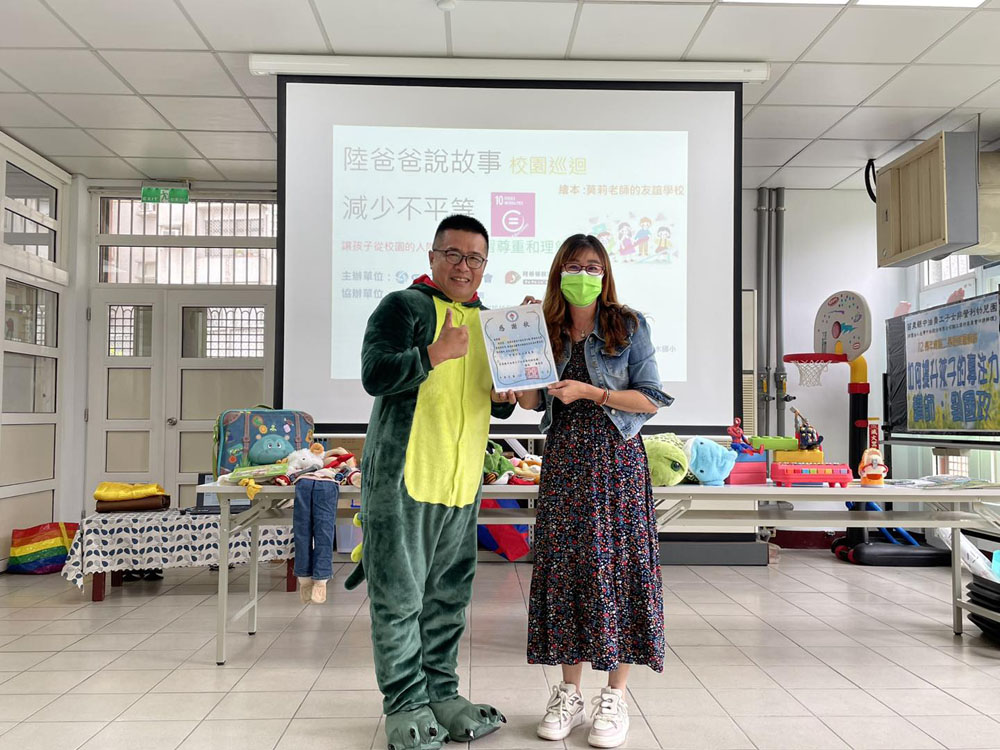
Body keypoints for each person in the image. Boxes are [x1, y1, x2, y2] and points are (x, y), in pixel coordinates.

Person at [346, 215, 515, 750]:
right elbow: (375, 373)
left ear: (485, 265)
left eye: (475, 258)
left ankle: (441, 694)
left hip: (461, 484)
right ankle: (404, 703)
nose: (464, 267)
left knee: (447, 600)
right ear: (433, 257)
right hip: (405, 481)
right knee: (399, 599)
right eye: (454, 255)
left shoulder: (489, 322)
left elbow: (492, 400)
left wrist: (505, 396)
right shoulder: (403, 307)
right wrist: (432, 354)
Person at [515, 234, 672, 749]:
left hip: (616, 464)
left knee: (621, 569)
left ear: (605, 274)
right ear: (558, 272)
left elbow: (650, 399)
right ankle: (569, 693)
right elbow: (531, 402)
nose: (583, 275)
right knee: (569, 570)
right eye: (573, 266)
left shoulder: (628, 325)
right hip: (565, 463)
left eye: (592, 267)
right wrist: (522, 337)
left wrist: (593, 392)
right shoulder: (548, 327)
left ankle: (615, 696)